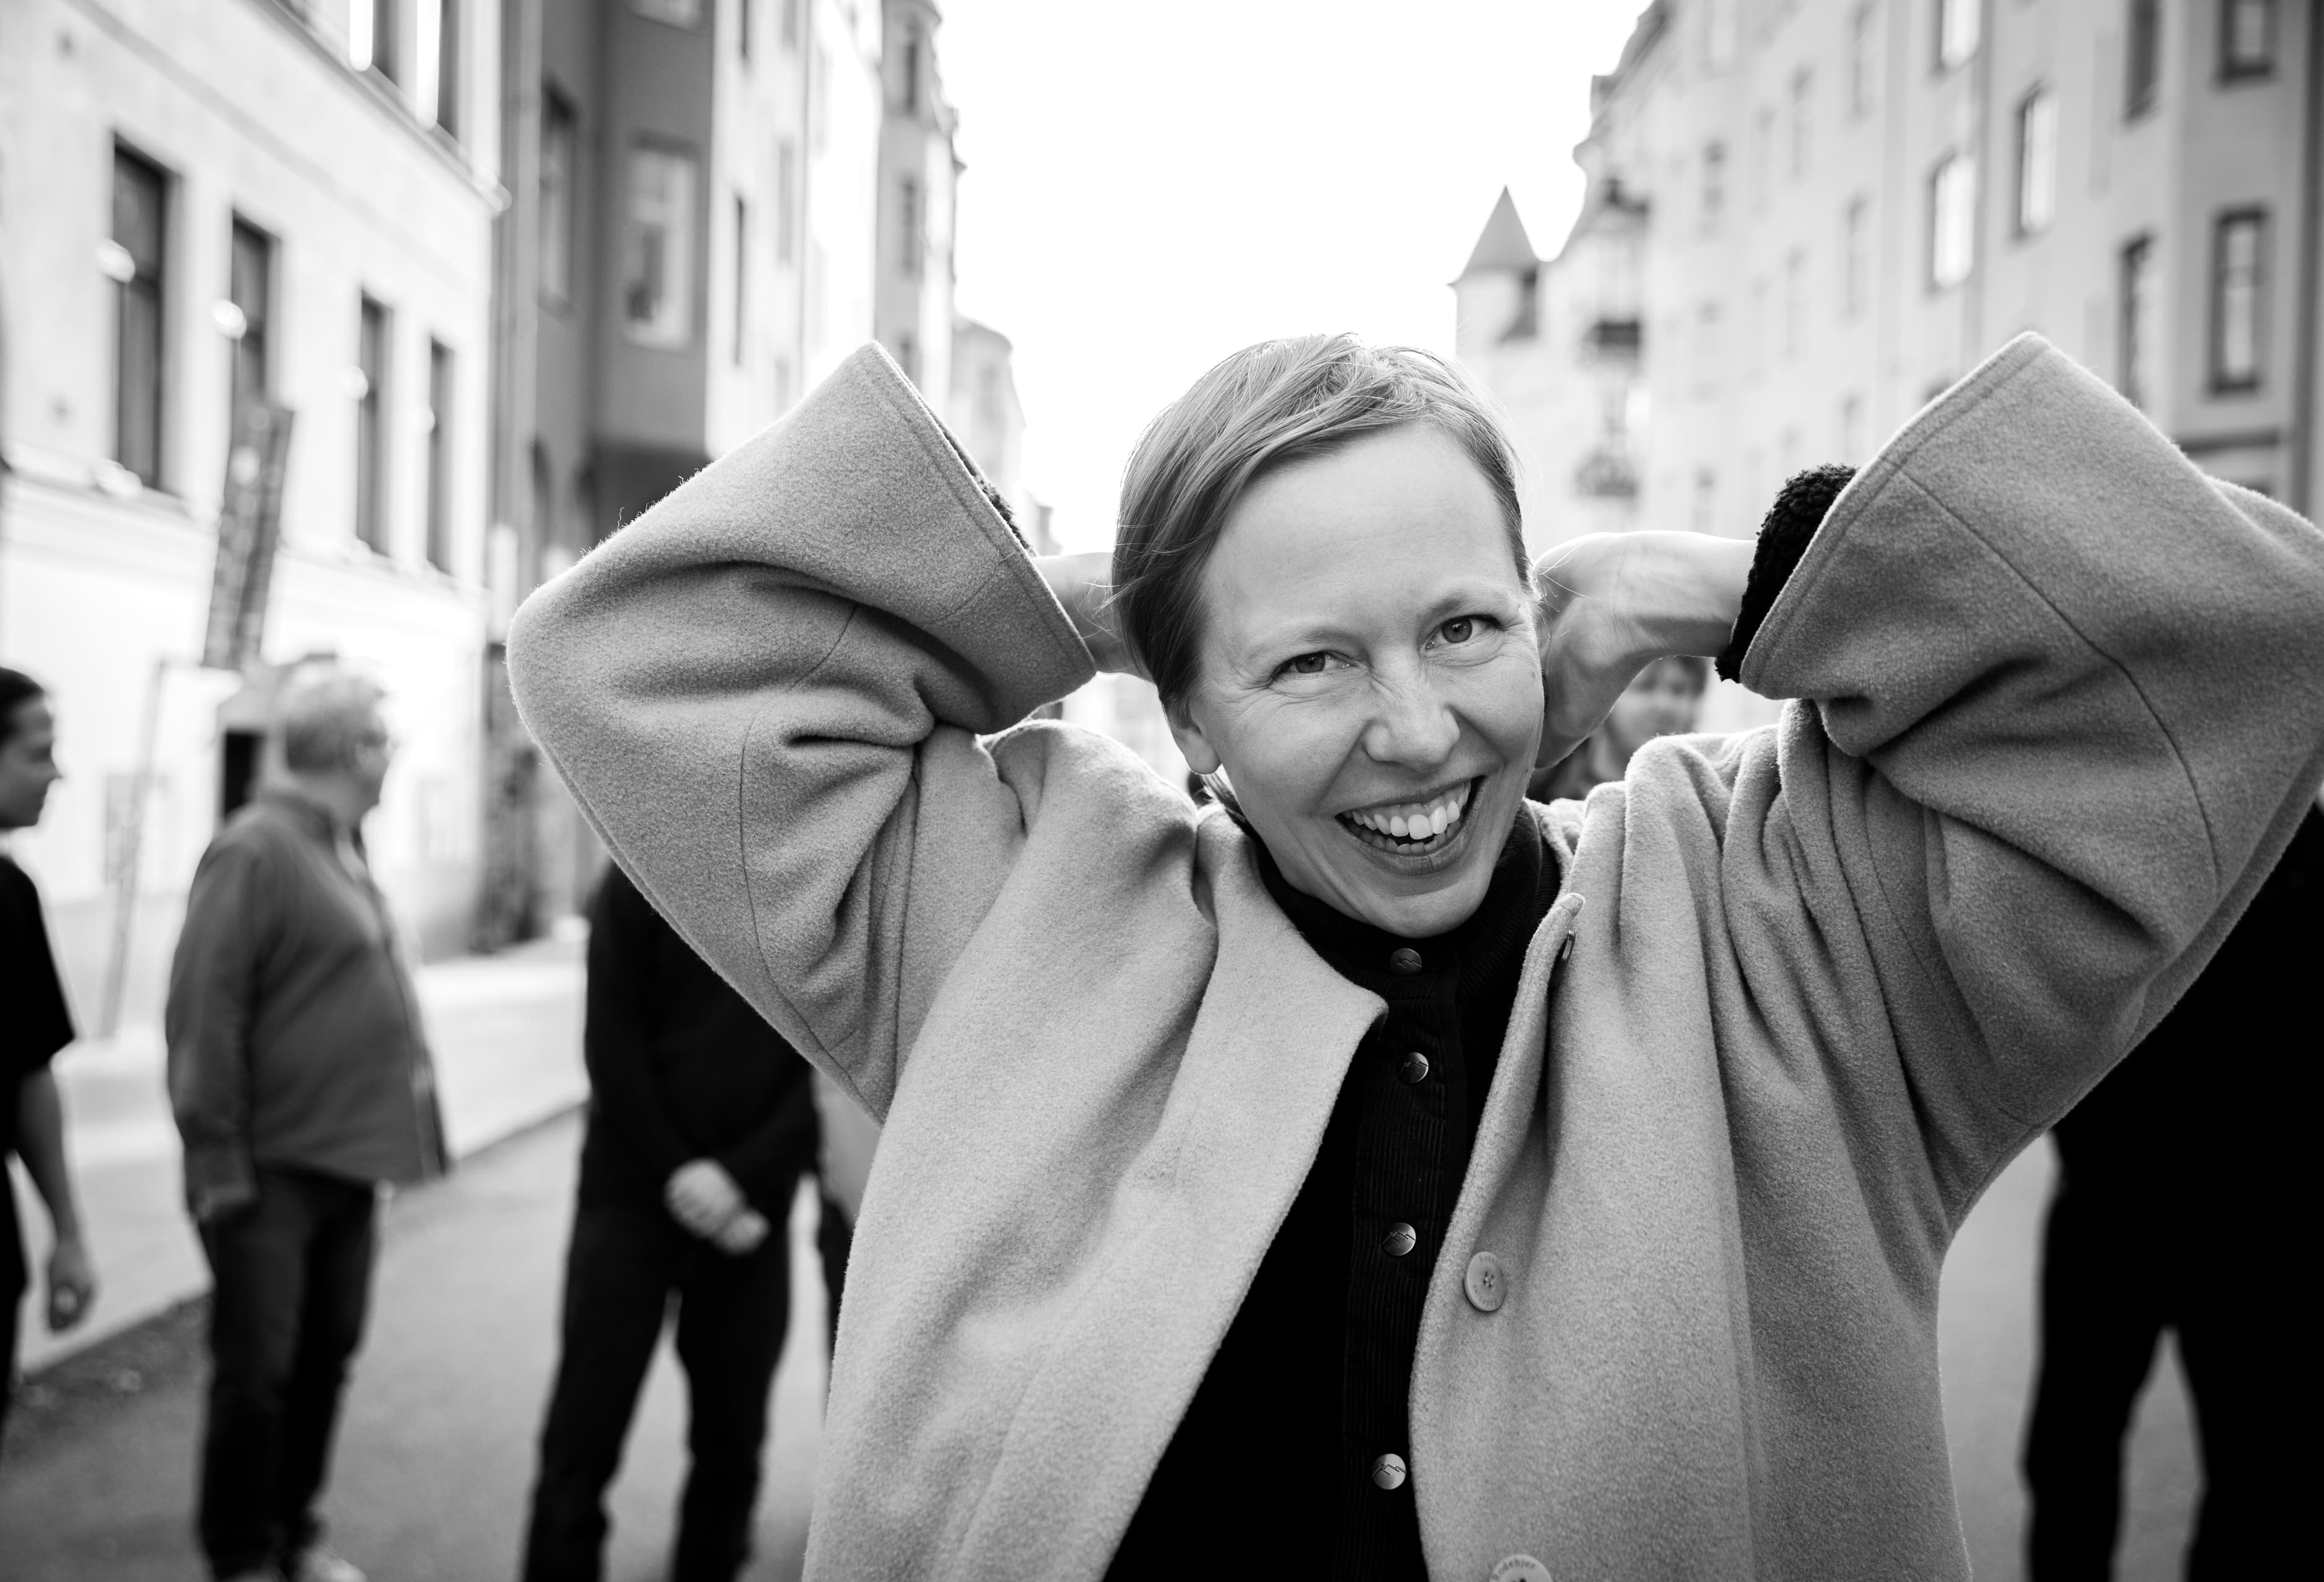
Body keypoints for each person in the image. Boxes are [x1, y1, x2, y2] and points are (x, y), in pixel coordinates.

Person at [505, 332, 2324, 1581]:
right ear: (1188, 712)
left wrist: (1722, 581)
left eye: (1465, 625)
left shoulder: (1782, 930)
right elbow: (634, 652)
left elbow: (2230, 653)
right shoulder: (1011, 920)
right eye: (1308, 661)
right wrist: (1100, 598)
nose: (1413, 730)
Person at [166, 671, 447, 1582]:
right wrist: (214, 1159)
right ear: (349, 751)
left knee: (324, 1360)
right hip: (270, 1167)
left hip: (344, 1163)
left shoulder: (338, 842)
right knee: (260, 1376)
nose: (393, 759)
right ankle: (242, 1553)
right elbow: (204, 1013)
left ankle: (296, 1535)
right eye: (384, 741)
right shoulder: (256, 848)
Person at [2021, 797, 2322, 1580]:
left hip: (2260, 1234)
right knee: (2068, 1461)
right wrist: (2086, 1144)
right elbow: (2062, 993)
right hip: (2109, 1206)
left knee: (2256, 1483)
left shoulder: (2311, 849)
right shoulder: (2146, 837)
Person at [521, 860, 816, 1582]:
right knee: (582, 1439)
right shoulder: (636, 879)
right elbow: (610, 1047)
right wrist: (687, 1177)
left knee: (731, 1445)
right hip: (630, 1205)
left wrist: (742, 1180)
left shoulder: (805, 889)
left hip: (750, 1217)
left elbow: (831, 1065)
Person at [0, 653, 95, 1576]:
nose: (57, 774)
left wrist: (69, 1231)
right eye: (38, 753)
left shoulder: (11, 896)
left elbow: (29, 1076)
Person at [1526, 653, 1707, 802]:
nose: (1664, 706)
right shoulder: (1539, 791)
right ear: (1605, 696)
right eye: (1645, 687)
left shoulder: (1704, 797)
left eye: (1679, 690)